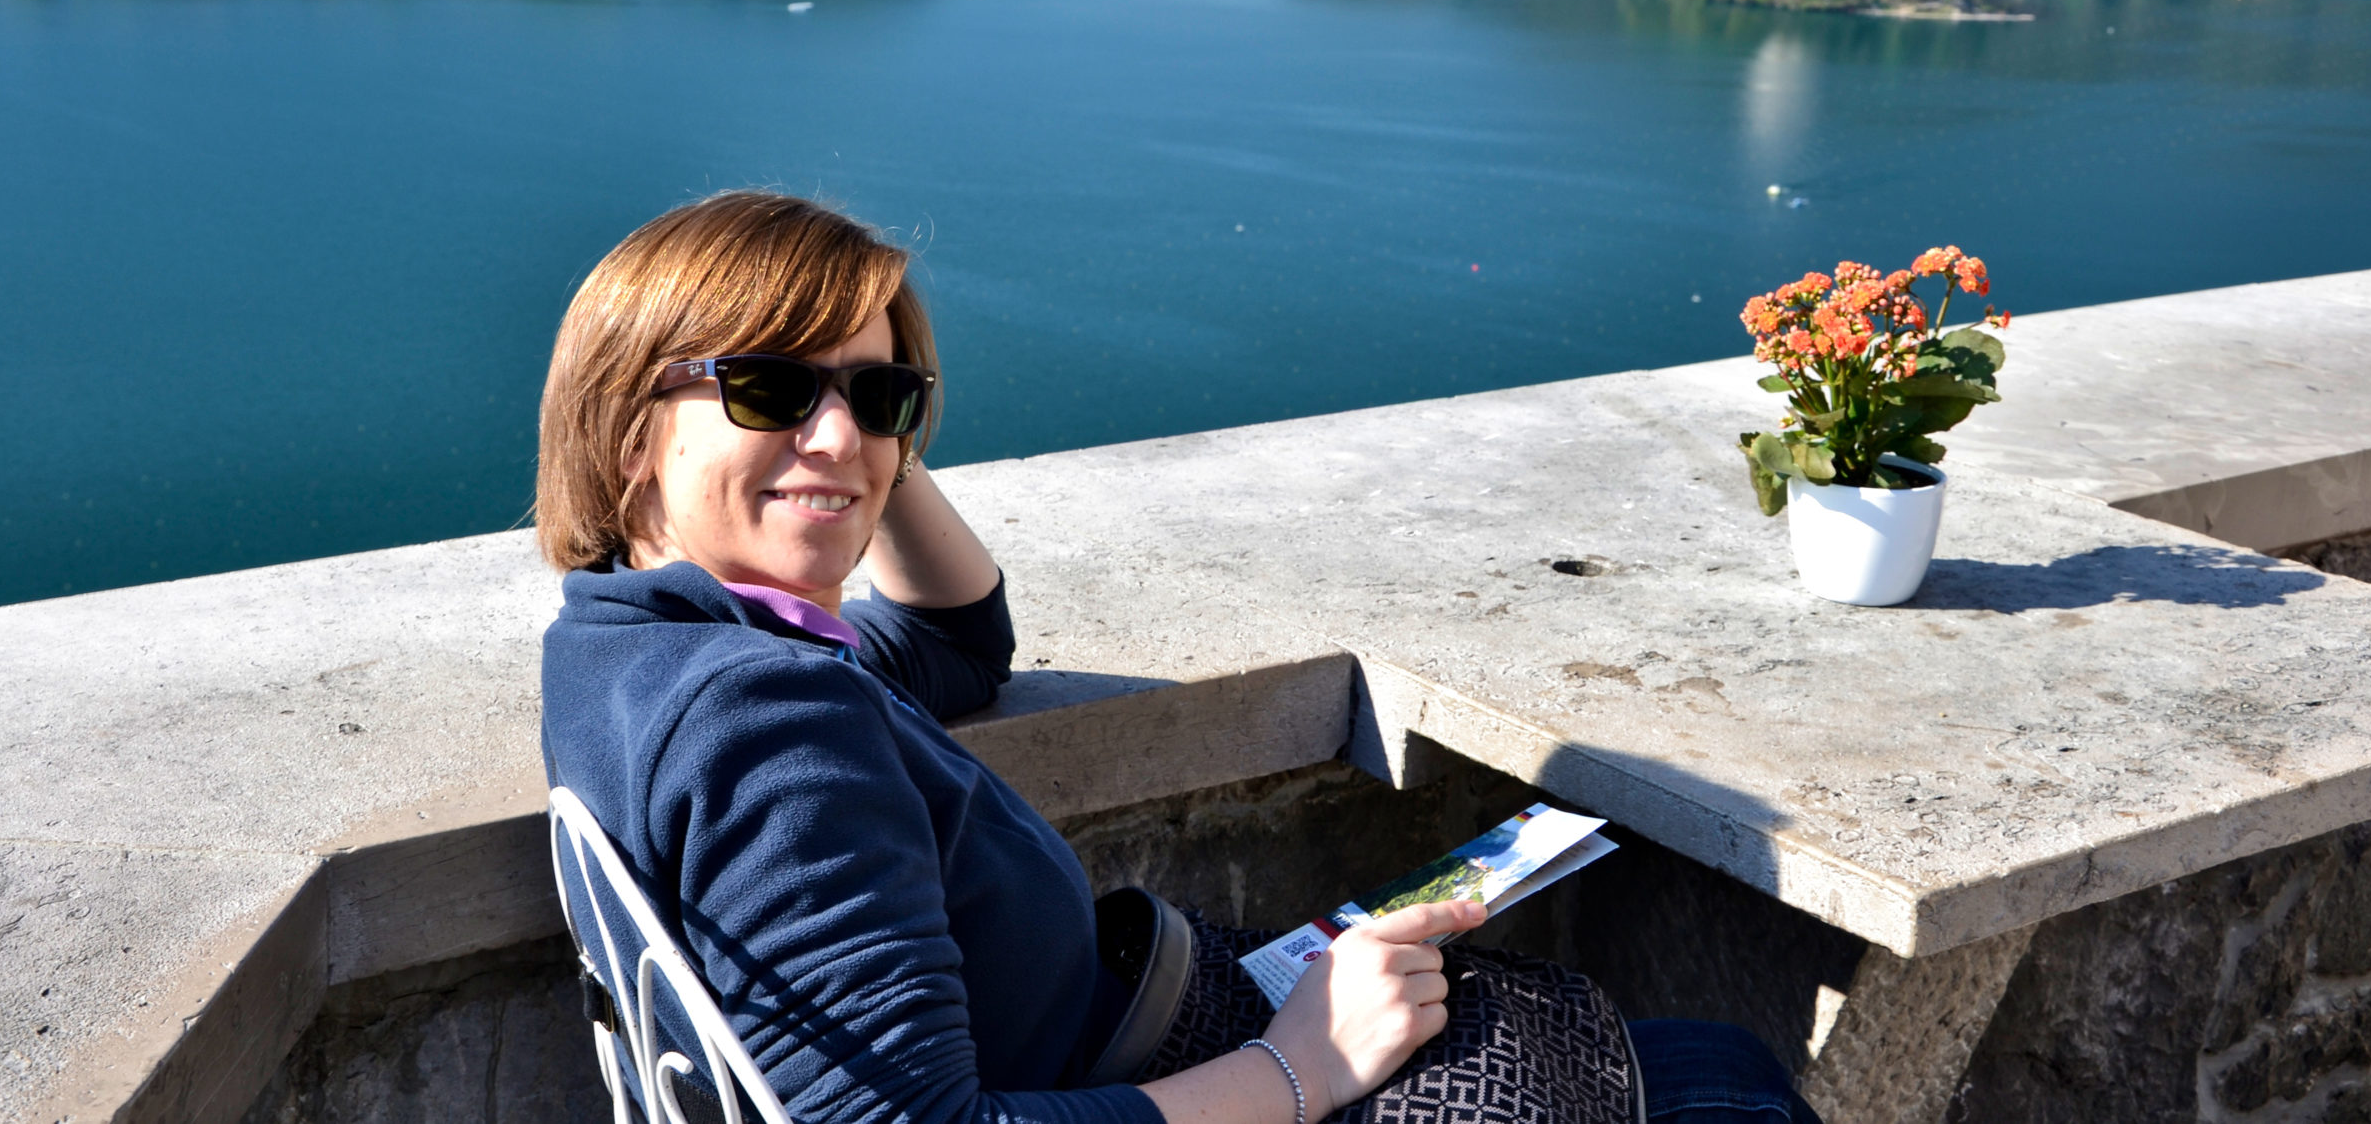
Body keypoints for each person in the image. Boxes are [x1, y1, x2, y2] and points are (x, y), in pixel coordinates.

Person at [538, 191, 1824, 1124]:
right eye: (769, 388)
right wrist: (1302, 1068)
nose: (837, 433)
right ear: (627, 428)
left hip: (1127, 1038)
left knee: (1709, 1061)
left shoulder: (635, 643)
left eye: (880, 395)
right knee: (1727, 1086)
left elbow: (954, 638)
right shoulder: (770, 724)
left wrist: (860, 456)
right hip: (1156, 1079)